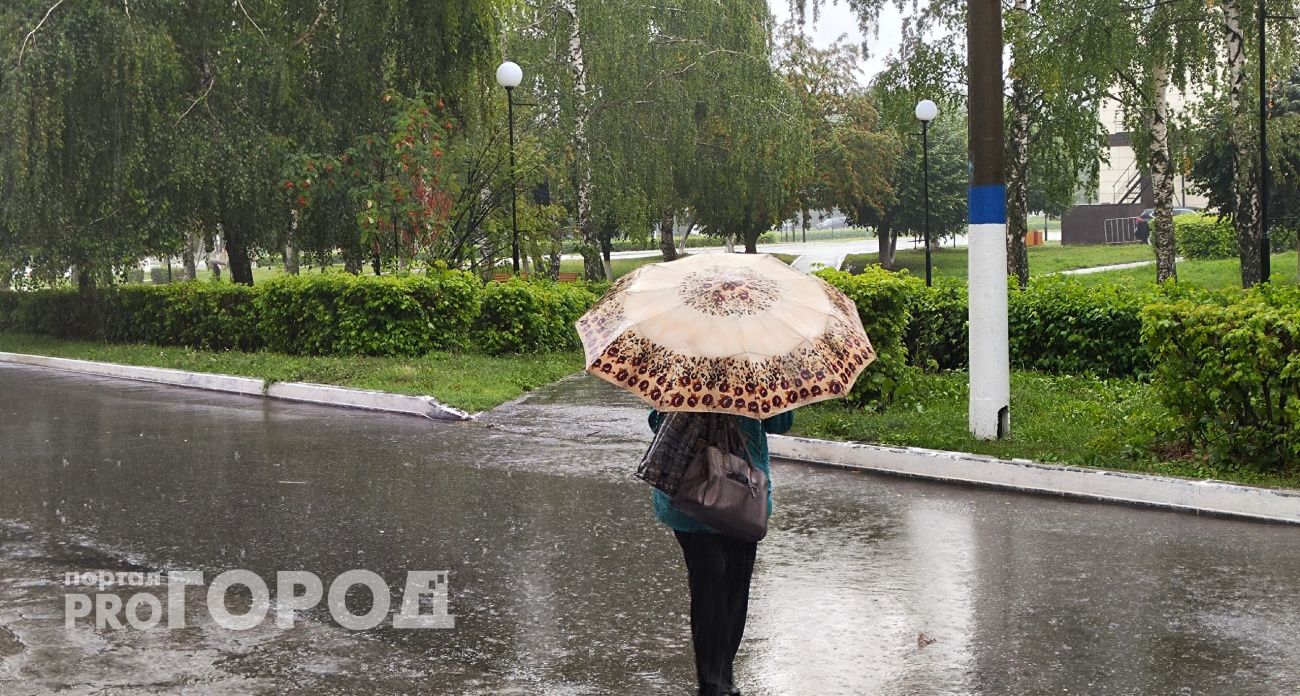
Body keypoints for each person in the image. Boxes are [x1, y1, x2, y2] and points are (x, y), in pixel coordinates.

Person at [647, 409, 794, 696]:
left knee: (734, 587)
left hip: (740, 499)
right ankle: (715, 684)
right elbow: (657, 421)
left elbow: (779, 422)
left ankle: (720, 675)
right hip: (698, 500)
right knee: (711, 587)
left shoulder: (691, 369)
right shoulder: (691, 369)